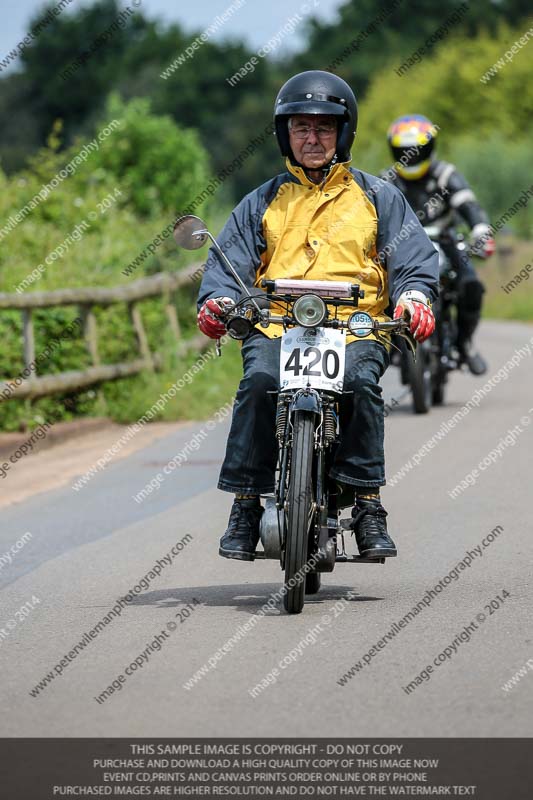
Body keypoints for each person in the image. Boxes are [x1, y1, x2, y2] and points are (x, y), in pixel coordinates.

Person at [197, 71, 439, 563]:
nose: (312, 138)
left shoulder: (379, 197)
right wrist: (219, 302)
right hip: (277, 325)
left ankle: (368, 505)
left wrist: (414, 298)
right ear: (285, 133)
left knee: (359, 384)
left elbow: (413, 260)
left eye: (324, 127)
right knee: (260, 381)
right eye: (301, 127)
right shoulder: (260, 201)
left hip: (357, 327)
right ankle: (245, 504)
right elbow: (229, 265)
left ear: (342, 133)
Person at [383, 114, 495, 375]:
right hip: (403, 247)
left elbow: (469, 205)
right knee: (380, 288)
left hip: (446, 242)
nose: (411, 156)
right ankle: (385, 345)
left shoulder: (445, 174)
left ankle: (464, 344)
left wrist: (480, 230)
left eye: (417, 150)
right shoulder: (386, 180)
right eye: (404, 151)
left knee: (471, 286)